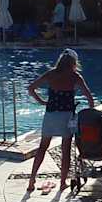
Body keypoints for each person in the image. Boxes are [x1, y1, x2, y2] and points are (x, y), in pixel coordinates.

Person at [26, 49, 94, 193]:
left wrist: (42, 101)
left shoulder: (51, 74)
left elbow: (31, 88)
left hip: (50, 115)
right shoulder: (75, 76)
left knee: (42, 148)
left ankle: (32, 180)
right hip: (66, 116)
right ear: (73, 63)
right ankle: (62, 182)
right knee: (66, 150)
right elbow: (88, 96)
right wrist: (91, 112)